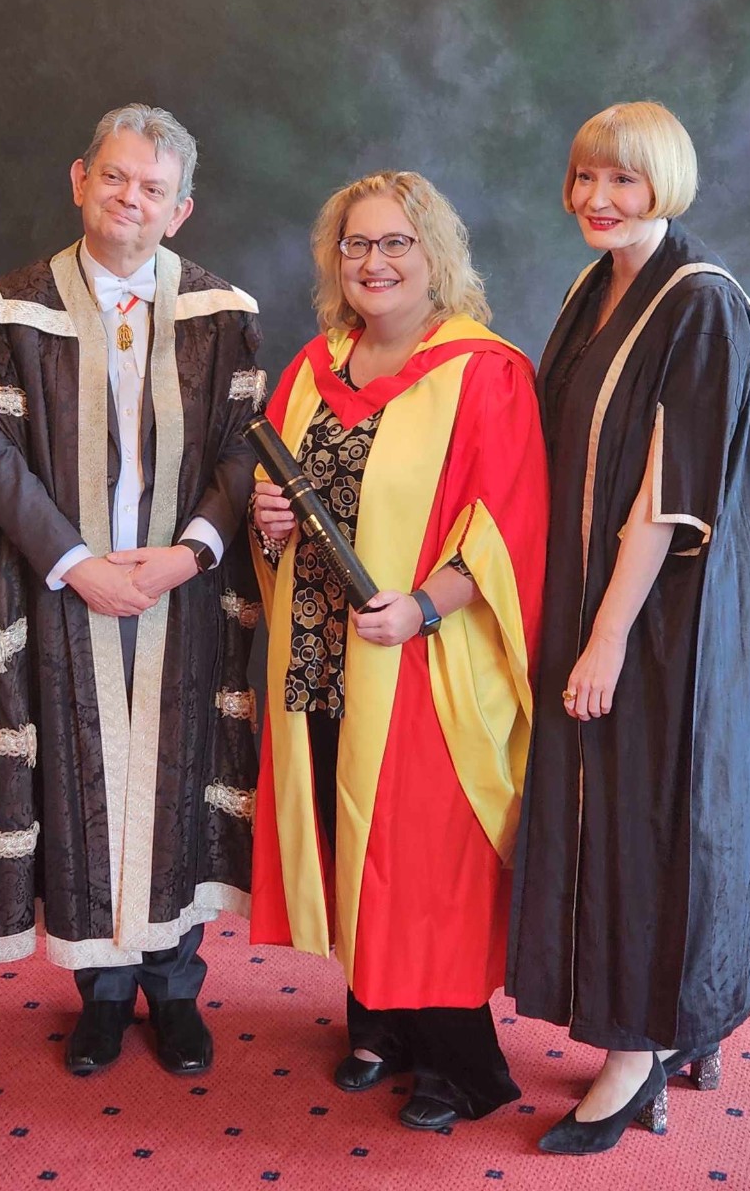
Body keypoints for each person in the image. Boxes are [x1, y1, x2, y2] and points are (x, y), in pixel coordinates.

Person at [0, 104, 263, 1077]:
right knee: (85, 783)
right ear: (80, 178)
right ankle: (102, 989)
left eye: (155, 189)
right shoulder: (9, 308)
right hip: (64, 592)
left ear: (181, 210)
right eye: (118, 177)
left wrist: (189, 553)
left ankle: (173, 988)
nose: (133, 199)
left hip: (183, 593)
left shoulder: (224, 313)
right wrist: (76, 564)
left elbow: (245, 453)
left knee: (173, 784)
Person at [248, 170, 548, 1130]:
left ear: (434, 257)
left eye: (395, 244)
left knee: (422, 858)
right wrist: (268, 527)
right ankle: (375, 1021)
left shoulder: (484, 371)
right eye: (355, 245)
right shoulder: (313, 366)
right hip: (321, 658)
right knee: (350, 834)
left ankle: (460, 1065)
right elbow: (288, 511)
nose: (373, 263)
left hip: (422, 659)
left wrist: (423, 607)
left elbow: (502, 531)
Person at [506, 101, 750, 1154]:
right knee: (596, 810)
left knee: (645, 821)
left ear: (663, 183)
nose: (595, 201)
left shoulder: (700, 303)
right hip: (584, 596)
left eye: (620, 181)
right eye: (583, 179)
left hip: (664, 623)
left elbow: (669, 497)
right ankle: (675, 1017)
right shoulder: (594, 284)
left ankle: (636, 1050)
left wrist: (609, 634)